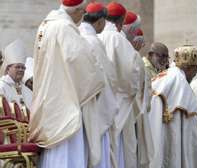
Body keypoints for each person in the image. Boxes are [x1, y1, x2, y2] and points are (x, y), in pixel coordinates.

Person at [28, 0, 106, 167]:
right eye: (83, 11)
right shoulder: (64, 27)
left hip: (49, 97)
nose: (83, 15)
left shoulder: (46, 25)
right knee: (68, 152)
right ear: (76, 10)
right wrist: (98, 76)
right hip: (65, 101)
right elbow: (78, 60)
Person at [98, 2, 151, 168]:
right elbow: (132, 76)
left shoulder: (97, 36)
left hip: (100, 103)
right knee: (120, 151)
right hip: (120, 104)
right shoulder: (119, 40)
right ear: (121, 22)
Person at [149, 45, 197, 168]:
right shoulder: (180, 82)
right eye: (196, 70)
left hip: (154, 132)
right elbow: (189, 121)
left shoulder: (166, 75)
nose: (195, 74)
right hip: (171, 132)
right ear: (191, 67)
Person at [79, 2, 118, 168]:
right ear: (101, 21)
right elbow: (107, 78)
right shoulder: (93, 41)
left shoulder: (76, 35)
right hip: (95, 107)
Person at [0, 39, 32, 109]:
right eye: (17, 67)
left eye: (23, 68)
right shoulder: (2, 86)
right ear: (8, 69)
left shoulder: (27, 90)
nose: (21, 70)